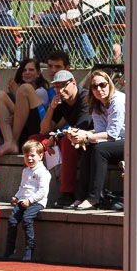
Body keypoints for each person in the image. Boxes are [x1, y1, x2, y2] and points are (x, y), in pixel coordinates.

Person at [71, 69, 127, 210]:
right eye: (94, 87)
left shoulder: (117, 100)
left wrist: (87, 136)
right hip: (118, 142)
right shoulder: (96, 105)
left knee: (99, 148)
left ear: (109, 84)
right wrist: (82, 135)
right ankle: (81, 196)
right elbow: (101, 132)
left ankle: (94, 198)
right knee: (89, 146)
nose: (99, 89)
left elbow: (112, 134)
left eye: (102, 85)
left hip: (135, 142)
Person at [40, 69, 95, 209]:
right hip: (73, 136)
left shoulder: (85, 97)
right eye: (57, 87)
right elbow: (45, 130)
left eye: (64, 85)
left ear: (74, 83)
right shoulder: (61, 100)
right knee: (35, 140)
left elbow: (81, 128)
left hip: (92, 138)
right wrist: (51, 108)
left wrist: (57, 136)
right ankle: (30, 190)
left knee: (66, 141)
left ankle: (66, 193)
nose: (60, 90)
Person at [2, 139, 51, 261]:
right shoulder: (25, 171)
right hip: (23, 201)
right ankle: (10, 249)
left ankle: (29, 249)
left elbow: (42, 191)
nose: (29, 159)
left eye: (32, 156)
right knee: (12, 220)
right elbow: (22, 187)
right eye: (26, 156)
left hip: (36, 202)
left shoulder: (43, 172)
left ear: (40, 156)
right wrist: (17, 196)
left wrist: (30, 200)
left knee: (26, 220)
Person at [0, 58, 51, 155]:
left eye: (31, 70)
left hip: (38, 126)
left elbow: (32, 114)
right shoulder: (21, 90)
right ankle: (8, 141)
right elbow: (21, 110)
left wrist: (17, 92)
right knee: (0, 95)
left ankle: (13, 141)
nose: (27, 72)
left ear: (38, 73)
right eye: (24, 70)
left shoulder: (40, 91)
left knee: (25, 88)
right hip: (23, 130)